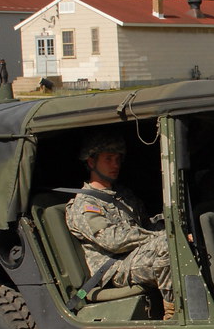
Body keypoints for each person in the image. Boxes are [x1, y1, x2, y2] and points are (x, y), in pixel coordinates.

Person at [65, 131, 175, 319]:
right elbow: (113, 241)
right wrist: (161, 236)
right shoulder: (84, 204)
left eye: (118, 159)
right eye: (108, 159)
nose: (115, 165)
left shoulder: (123, 195)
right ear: (91, 162)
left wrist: (173, 228)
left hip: (136, 256)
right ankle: (174, 313)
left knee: (178, 235)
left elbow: (146, 224)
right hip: (114, 267)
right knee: (168, 244)